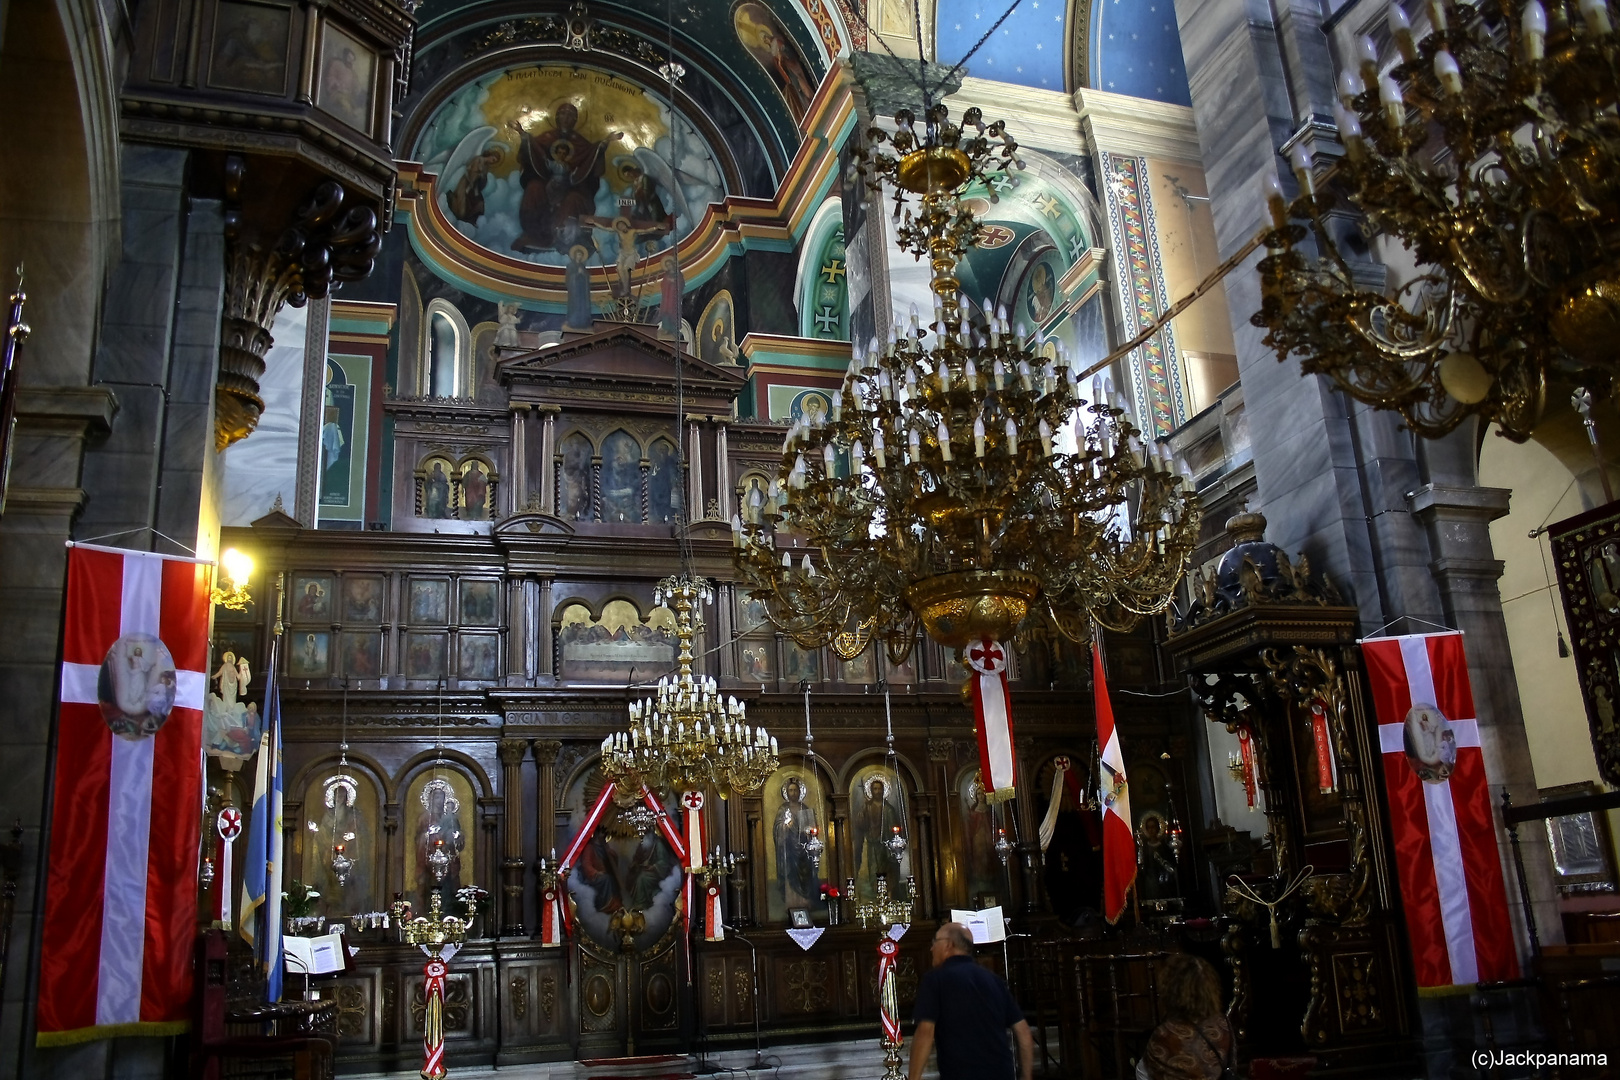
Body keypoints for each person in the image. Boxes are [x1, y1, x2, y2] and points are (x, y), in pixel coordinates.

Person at [908, 922, 1032, 1080]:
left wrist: (913, 1077)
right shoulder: (994, 980)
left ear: (948, 945)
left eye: (934, 942)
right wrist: (1026, 1076)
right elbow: (1023, 1031)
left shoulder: (935, 979)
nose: (931, 948)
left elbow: (925, 1032)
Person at [1135, 954, 1235, 1080]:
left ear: (1171, 990)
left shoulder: (1165, 1034)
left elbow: (1147, 1074)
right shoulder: (1223, 1023)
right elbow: (1231, 1066)